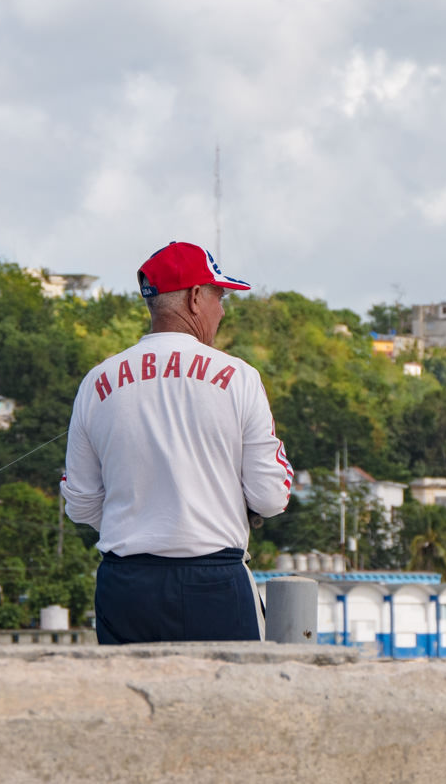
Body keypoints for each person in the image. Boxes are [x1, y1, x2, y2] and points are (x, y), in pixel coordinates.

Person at [61, 241, 293, 644]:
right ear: (195, 296)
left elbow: (80, 504)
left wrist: (137, 518)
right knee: (229, 705)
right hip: (215, 582)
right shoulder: (239, 377)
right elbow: (272, 496)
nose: (222, 309)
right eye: (219, 295)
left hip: (125, 585)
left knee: (130, 704)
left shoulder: (97, 381)